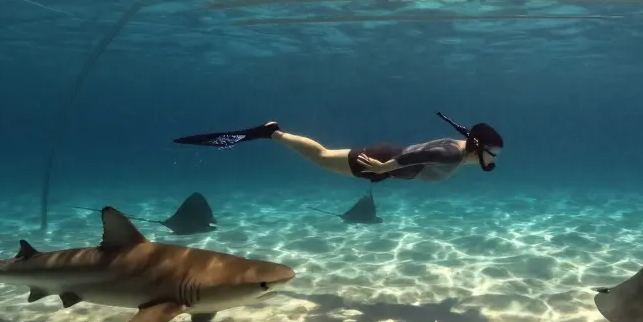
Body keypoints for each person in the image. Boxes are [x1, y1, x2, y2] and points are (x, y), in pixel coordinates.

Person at [173, 112, 504, 183]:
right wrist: (382, 169)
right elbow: (416, 156)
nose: (494, 160)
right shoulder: (453, 152)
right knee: (321, 157)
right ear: (478, 147)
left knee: (323, 157)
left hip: (389, 162)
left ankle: (271, 133)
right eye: (493, 153)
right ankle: (271, 133)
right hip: (384, 160)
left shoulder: (462, 146)